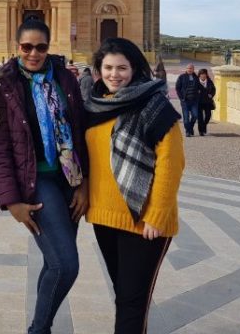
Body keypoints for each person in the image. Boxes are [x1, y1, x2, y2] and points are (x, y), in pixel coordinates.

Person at [0, 17, 89, 334]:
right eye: (27, 46)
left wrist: (83, 182)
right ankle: (38, 329)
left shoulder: (65, 78)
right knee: (66, 264)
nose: (34, 53)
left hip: (68, 178)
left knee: (54, 263)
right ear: (17, 46)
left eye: (41, 47)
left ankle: (40, 328)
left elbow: (79, 129)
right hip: (38, 181)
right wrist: (12, 201)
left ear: (49, 47)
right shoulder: (4, 84)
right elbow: (0, 148)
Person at [82, 38, 184, 334]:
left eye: (122, 68)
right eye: (109, 67)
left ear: (135, 68)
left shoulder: (155, 105)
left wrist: (158, 214)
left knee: (132, 301)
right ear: (99, 71)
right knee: (125, 297)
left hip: (144, 222)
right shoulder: (95, 106)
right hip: (105, 218)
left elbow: (171, 162)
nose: (115, 74)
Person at [175, 63, 201, 137]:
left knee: (195, 116)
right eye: (188, 68)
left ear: (193, 69)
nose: (190, 69)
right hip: (185, 101)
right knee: (186, 118)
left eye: (191, 68)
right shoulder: (181, 77)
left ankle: (190, 128)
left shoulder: (196, 77)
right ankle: (188, 131)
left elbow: (199, 87)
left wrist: (198, 94)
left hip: (194, 101)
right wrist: (181, 98)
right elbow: (177, 88)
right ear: (186, 69)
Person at [196, 68, 216, 136]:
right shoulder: (196, 82)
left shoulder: (209, 81)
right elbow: (192, 90)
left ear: (206, 75)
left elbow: (213, 90)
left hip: (207, 102)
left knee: (208, 115)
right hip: (198, 102)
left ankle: (204, 125)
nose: (203, 76)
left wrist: (212, 94)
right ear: (199, 75)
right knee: (200, 117)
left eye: (204, 74)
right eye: (202, 74)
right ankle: (201, 131)